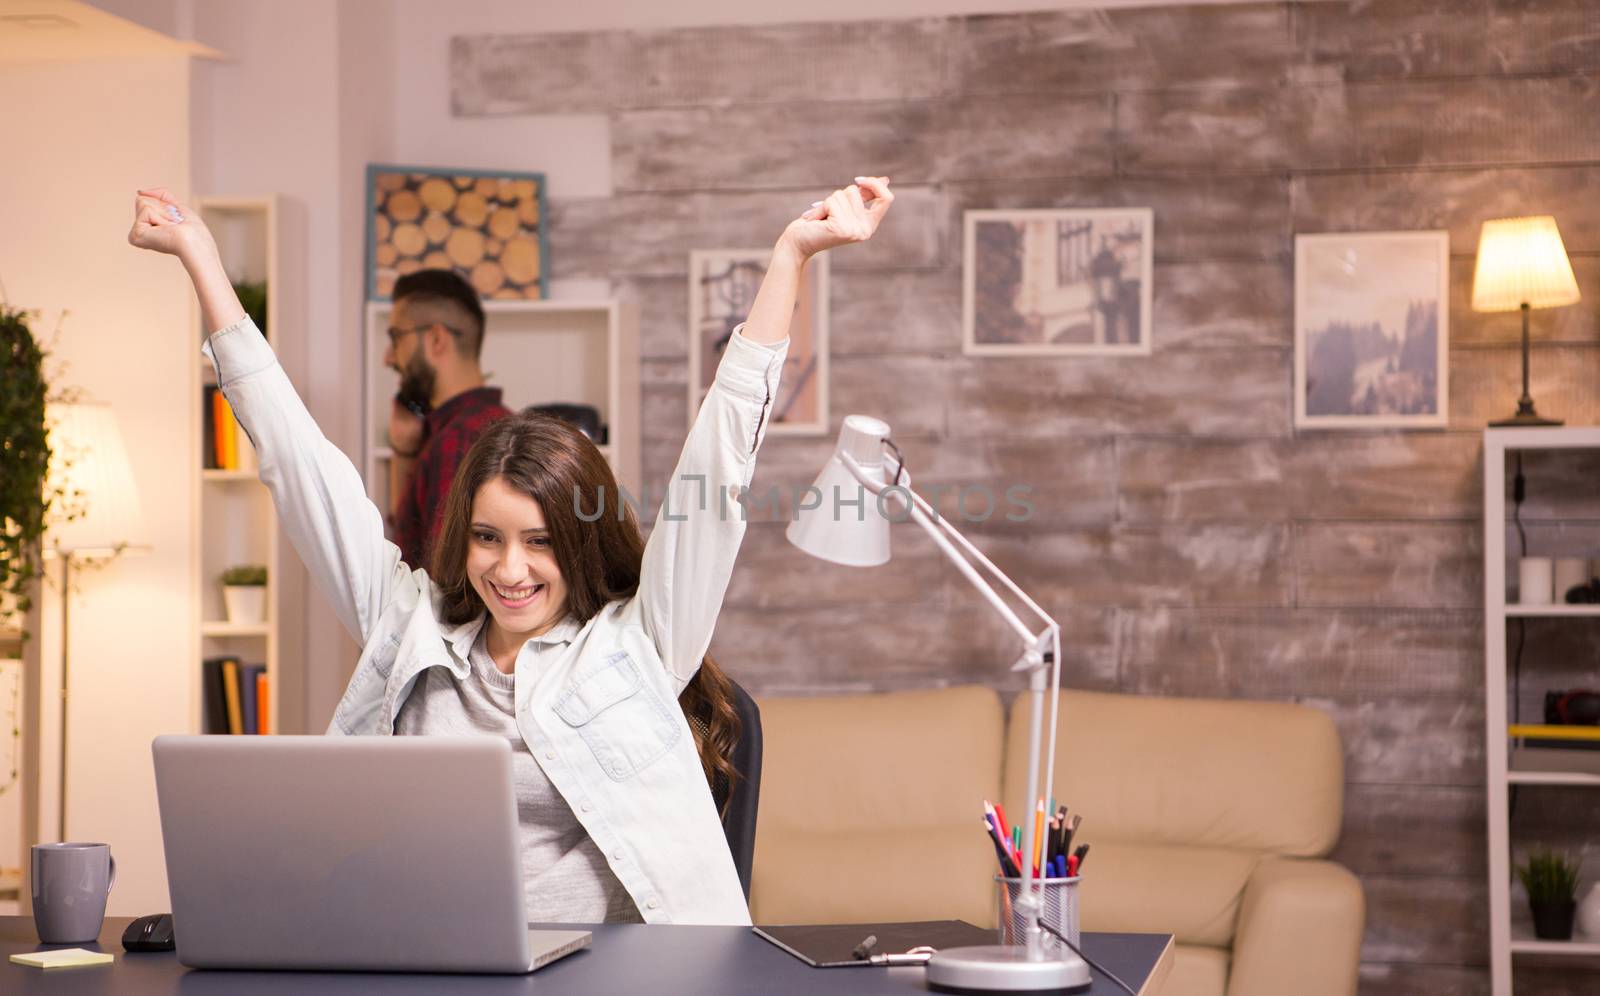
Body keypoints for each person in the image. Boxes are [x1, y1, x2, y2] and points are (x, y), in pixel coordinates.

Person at [128, 176, 894, 925]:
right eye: (487, 539)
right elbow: (299, 469)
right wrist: (200, 256)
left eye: (539, 543)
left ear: (580, 543)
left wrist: (792, 255)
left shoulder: (639, 645)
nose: (509, 569)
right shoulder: (410, 628)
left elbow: (719, 462)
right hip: (433, 962)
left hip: (616, 975)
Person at [384, 268, 513, 569]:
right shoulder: (492, 425)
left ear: (437, 339)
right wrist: (404, 450)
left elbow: (442, 580)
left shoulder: (457, 442)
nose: (389, 357)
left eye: (396, 337)